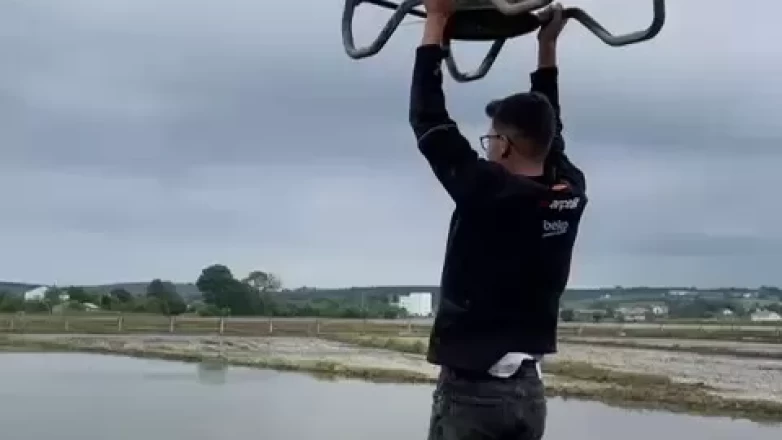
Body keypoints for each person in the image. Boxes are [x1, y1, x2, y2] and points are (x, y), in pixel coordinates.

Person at [409, 1, 587, 439]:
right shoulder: (568, 190)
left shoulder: (489, 192)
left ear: (505, 145)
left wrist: (435, 20)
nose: (486, 147)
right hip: (527, 395)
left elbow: (428, 120)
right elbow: (549, 129)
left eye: (490, 140)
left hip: (475, 394)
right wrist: (547, 50)